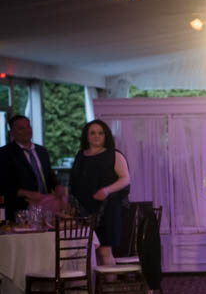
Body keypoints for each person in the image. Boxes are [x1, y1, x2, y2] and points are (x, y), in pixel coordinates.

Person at [68, 120, 130, 266]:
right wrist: (70, 203)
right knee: (86, 252)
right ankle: (93, 288)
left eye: (100, 133)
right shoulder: (80, 156)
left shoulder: (114, 154)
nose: (96, 136)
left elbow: (126, 179)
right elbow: (74, 183)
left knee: (104, 252)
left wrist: (107, 190)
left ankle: (109, 288)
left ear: (106, 136)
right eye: (92, 133)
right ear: (86, 136)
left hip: (107, 209)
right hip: (83, 210)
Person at [0, 114, 65, 222]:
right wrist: (26, 193)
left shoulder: (41, 151)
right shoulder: (4, 154)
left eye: (28, 127)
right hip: (21, 211)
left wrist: (57, 186)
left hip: (46, 209)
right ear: (12, 132)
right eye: (21, 128)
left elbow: (49, 174)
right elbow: (2, 186)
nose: (27, 131)